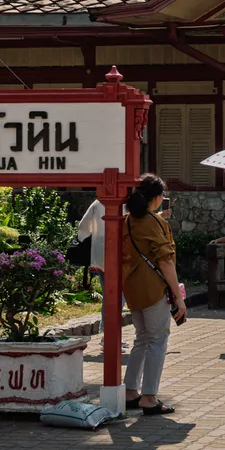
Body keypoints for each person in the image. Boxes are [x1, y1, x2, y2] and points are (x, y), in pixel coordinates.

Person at [121, 174, 185, 416]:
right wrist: (178, 296)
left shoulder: (127, 220)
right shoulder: (156, 223)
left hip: (132, 289)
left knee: (142, 339)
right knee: (158, 340)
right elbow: (166, 261)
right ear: (157, 198)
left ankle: (129, 391)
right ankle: (149, 397)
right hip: (154, 289)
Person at [76, 199, 127, 351]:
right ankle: (109, 337)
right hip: (119, 256)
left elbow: (84, 226)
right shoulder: (125, 202)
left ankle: (108, 335)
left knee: (109, 298)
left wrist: (83, 237)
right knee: (118, 299)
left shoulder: (98, 202)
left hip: (100, 256)